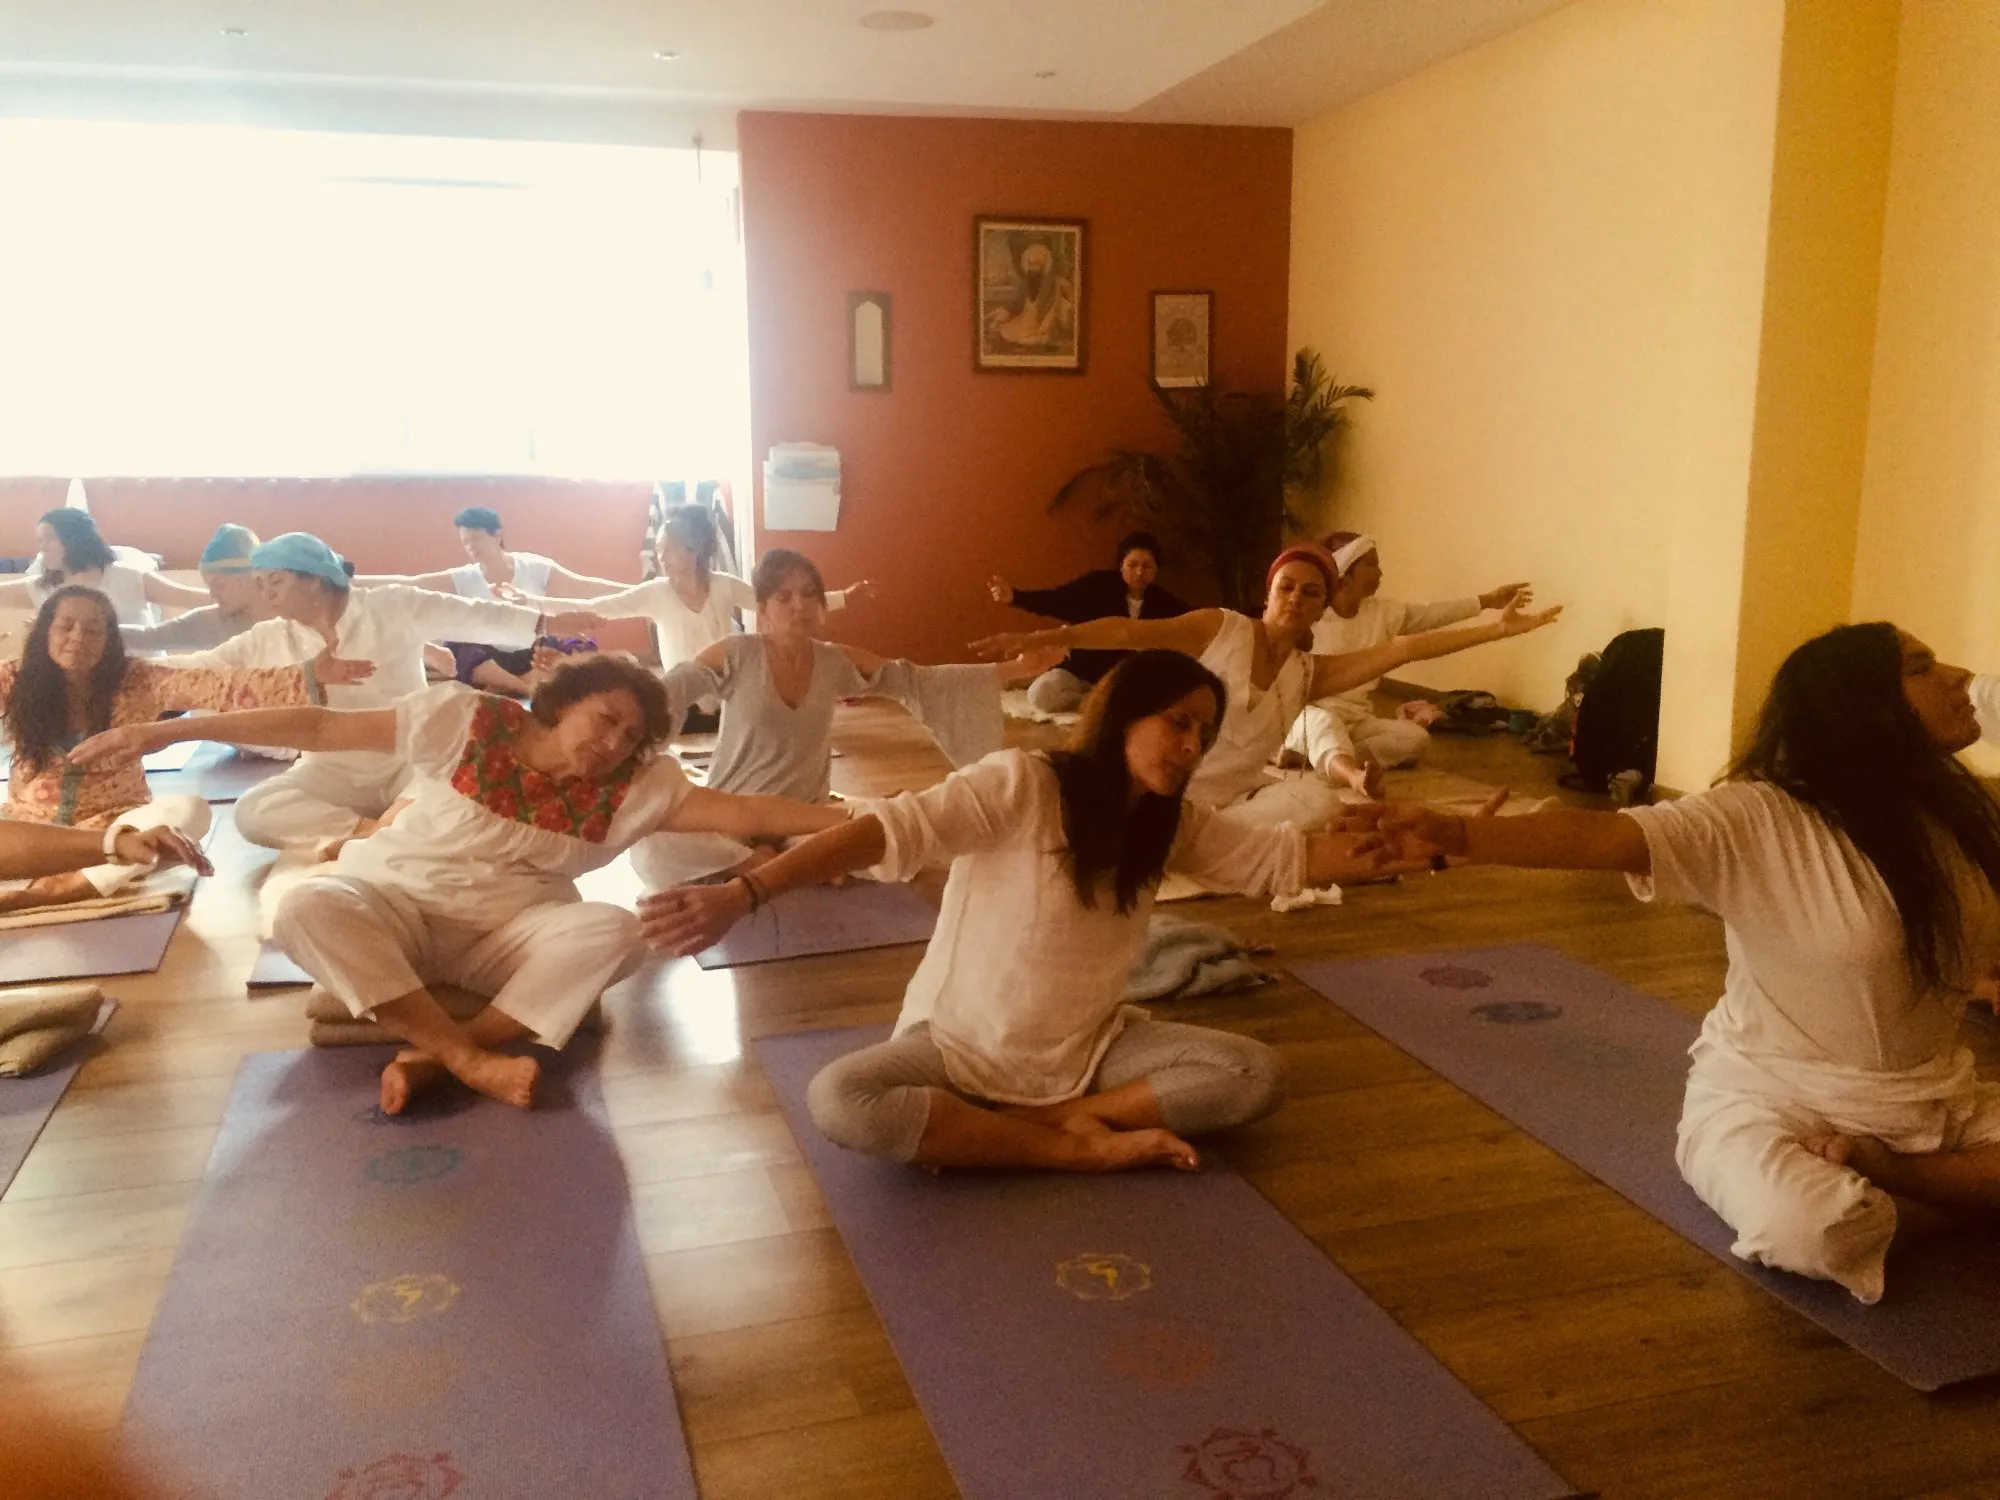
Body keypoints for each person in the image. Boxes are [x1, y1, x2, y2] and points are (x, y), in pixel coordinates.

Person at [1370, 623, 2000, 1304]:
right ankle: (1956, 1194)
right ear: (1861, 703)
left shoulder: (1956, 816)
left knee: (1864, 1206)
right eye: (1922, 666)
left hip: (1935, 1097)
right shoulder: (1762, 816)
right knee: (1809, 1228)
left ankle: (1908, 1185)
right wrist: (1461, 833)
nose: (1959, 677)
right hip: (1780, 1104)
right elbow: (1605, 835)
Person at [639, 650, 1425, 1172]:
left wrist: (1427, 844)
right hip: (957, 1050)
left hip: (1087, 1055)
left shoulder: (1169, 822)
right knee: (841, 1100)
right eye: (1178, 723)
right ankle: (1071, 1150)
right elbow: (884, 831)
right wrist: (743, 893)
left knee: (1254, 1074)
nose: (1192, 746)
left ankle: (1056, 1121)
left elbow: (1281, 861)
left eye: (1205, 734)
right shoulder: (1023, 783)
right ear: (1125, 713)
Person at [72, 655, 854, 1114]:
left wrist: (867, 821)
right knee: (306, 904)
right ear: (562, 703)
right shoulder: (469, 721)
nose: (614, 742)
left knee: (618, 930)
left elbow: (747, 810)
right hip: (391, 905)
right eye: (605, 718)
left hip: (507, 938)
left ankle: (444, 1053)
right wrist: (168, 730)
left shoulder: (639, 788)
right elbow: (319, 726)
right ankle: (470, 1058)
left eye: (631, 735)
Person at [971, 542, 1562, 831]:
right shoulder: (1221, 628)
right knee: (1042, 792)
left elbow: (1405, 647)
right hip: (1158, 786)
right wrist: (1049, 636)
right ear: (1268, 592)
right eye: (1287, 587)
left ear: (1323, 605)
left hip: (1227, 807)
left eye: (1311, 592)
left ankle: (1196, 839)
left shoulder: (1310, 673)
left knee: (1320, 801)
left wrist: (1495, 629)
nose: (1296, 599)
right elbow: (1130, 630)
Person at [640, 548, 1057, 889]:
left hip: (804, 817)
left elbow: (915, 680)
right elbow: (670, 691)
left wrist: (1017, 669)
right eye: (784, 597)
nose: (799, 606)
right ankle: (765, 864)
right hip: (730, 817)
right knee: (651, 844)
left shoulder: (834, 662)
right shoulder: (736, 654)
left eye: (809, 594)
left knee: (898, 835)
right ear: (762, 608)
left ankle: (779, 861)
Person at [176, 532, 600, 853]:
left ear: (315, 580)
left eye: (276, 582)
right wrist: (143, 678)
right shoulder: (269, 636)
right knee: (254, 812)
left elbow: (472, 615)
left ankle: (395, 826)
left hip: (411, 762)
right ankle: (372, 833)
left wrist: (546, 624)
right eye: (260, 584)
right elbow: (203, 667)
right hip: (333, 768)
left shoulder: (389, 605)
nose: (266, 595)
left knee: (470, 793)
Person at [0, 586, 360, 910]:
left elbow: (219, 686)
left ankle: (49, 893)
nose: (78, 637)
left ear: (109, 640)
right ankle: (86, 874)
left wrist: (307, 675)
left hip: (119, 824)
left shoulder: (138, 680)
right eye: (66, 626)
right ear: (45, 631)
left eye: (94, 630)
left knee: (189, 812)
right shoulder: (13, 680)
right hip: (29, 826)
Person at [509, 504, 871, 698]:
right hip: (682, 695)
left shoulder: (725, 586)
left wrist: (843, 597)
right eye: (659, 550)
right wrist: (531, 604)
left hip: (728, 693)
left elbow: (780, 601)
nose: (661, 557)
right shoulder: (655, 593)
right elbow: (600, 607)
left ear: (693, 550)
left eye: (668, 549)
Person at [1284, 532, 1535, 793]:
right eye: (1372, 564)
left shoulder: (1382, 612)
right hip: (1306, 717)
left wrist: (1489, 601)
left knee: (1415, 738)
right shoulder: (1313, 615)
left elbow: (1430, 614)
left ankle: (1317, 756)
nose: (1380, 573)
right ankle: (1353, 776)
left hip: (1356, 720)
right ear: (1344, 575)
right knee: (1323, 723)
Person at [355, 505, 628, 696]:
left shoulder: (535, 567)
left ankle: (520, 682)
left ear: (497, 534)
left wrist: (637, 591)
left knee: (580, 644)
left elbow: (584, 585)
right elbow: (409, 583)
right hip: (490, 660)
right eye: (465, 542)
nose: (471, 547)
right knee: (458, 645)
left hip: (534, 650)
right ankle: (524, 686)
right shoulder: (462, 577)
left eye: (476, 539)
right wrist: (349, 581)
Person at [987, 530, 1189, 713]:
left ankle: (1106, 704)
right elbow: (1056, 599)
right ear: (1121, 565)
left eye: (1147, 566)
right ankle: (1094, 704)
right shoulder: (1096, 586)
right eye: (1132, 565)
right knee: (1041, 693)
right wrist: (1015, 597)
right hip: (1082, 673)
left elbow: (1195, 620)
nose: (1139, 572)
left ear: (1156, 570)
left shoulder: (1164, 602)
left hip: (1126, 680)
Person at [0, 510, 210, 627]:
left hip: (141, 676)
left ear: (76, 538)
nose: (42, 547)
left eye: (50, 538)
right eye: (39, 540)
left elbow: (188, 597)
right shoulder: (42, 587)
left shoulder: (128, 577)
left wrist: (229, 595)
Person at [118, 524, 269, 655]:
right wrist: (105, 630)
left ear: (248, 578)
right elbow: (149, 636)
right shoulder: (210, 623)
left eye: (219, 585)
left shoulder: (282, 617)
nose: (212, 595)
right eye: (210, 587)